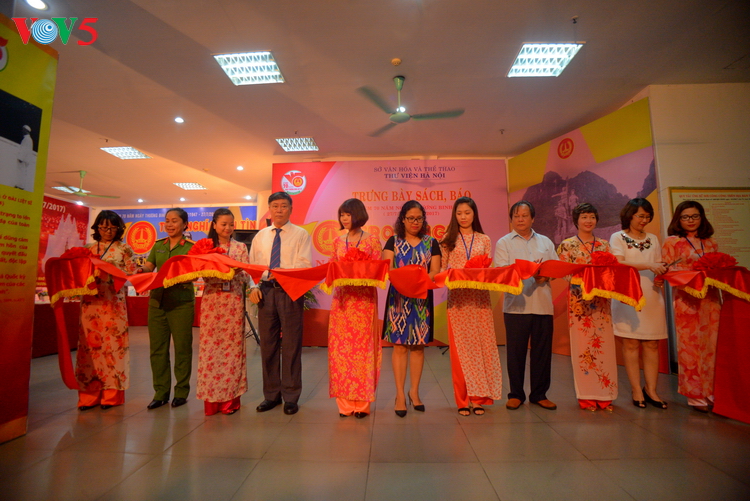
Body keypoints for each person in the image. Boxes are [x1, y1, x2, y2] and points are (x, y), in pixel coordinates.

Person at [249, 192, 312, 415]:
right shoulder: (260, 236)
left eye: (283, 206)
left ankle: (291, 396)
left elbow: (304, 264)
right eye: (275, 206)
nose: (279, 210)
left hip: (290, 291)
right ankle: (271, 395)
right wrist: (254, 287)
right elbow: (252, 266)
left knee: (292, 344)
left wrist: (282, 273)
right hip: (265, 292)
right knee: (268, 345)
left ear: (291, 209)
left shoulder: (301, 234)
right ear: (269, 209)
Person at [440, 197, 503, 416]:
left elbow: (488, 269)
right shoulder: (447, 239)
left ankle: (478, 398)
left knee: (481, 348)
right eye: (459, 213)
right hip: (458, 301)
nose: (463, 217)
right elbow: (441, 270)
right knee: (461, 351)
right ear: (454, 215)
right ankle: (462, 400)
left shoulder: (484, 239)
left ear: (474, 214)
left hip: (479, 300)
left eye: (467, 213)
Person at [494, 200, 558, 411]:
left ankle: (539, 394)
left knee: (542, 353)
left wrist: (545, 276)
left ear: (533, 218)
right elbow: (502, 271)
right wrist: (525, 272)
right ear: (511, 219)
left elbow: (555, 268)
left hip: (542, 305)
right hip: (516, 305)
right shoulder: (504, 243)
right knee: (515, 353)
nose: (520, 219)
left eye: (524, 216)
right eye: (516, 216)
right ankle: (516, 394)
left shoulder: (546, 241)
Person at [557, 203, 618, 411]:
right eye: (584, 217)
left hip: (601, 302)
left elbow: (612, 272)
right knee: (583, 348)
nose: (588, 221)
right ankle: (587, 396)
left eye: (592, 217)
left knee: (604, 347)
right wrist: (584, 279)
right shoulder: (567, 245)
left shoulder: (604, 245)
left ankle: (606, 396)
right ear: (576, 221)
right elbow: (564, 272)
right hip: (579, 303)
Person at [382, 200, 441, 417]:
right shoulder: (393, 241)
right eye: (410, 218)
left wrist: (418, 281)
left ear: (424, 220)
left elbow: (435, 271)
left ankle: (414, 392)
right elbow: (388, 269)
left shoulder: (431, 242)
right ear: (403, 220)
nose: (415, 222)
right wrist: (405, 281)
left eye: (419, 218)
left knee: (418, 347)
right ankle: (400, 395)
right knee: (399, 347)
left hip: (421, 300)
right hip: (398, 300)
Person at [610, 198, 668, 409]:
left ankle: (651, 390)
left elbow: (659, 263)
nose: (644, 220)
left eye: (647, 216)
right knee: (631, 343)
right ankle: (636, 390)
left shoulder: (653, 238)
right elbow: (618, 263)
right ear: (630, 216)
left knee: (652, 344)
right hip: (628, 295)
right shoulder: (618, 237)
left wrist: (661, 274)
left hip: (652, 294)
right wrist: (649, 265)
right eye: (640, 216)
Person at [662, 201, 720, 413]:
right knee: (690, 347)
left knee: (712, 345)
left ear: (702, 217)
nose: (690, 220)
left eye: (695, 216)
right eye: (685, 217)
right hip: (687, 299)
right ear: (678, 219)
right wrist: (691, 273)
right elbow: (667, 270)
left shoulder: (710, 242)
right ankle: (695, 395)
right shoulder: (672, 242)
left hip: (711, 298)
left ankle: (711, 391)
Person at [328, 198, 382, 418]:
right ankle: (344, 404)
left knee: (362, 353)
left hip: (364, 303)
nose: (344, 218)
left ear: (358, 214)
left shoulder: (372, 241)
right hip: (342, 302)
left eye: (348, 214)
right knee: (341, 352)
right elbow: (332, 268)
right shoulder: (337, 241)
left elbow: (378, 271)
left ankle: (361, 404)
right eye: (342, 214)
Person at [76, 211, 136, 410]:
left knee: (114, 349)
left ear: (119, 228)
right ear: (97, 228)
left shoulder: (124, 249)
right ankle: (89, 396)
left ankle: (112, 395)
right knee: (89, 350)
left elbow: (132, 275)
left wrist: (112, 271)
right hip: (90, 305)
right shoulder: (88, 249)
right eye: (103, 227)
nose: (108, 231)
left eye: (112, 227)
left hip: (113, 304)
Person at [138, 208, 195, 410]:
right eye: (167, 221)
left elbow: (196, 273)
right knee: (157, 350)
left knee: (182, 349)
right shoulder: (158, 245)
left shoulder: (191, 247)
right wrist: (140, 270)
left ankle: (181, 392)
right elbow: (149, 266)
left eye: (175, 221)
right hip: (157, 302)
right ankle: (161, 393)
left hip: (181, 303)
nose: (170, 224)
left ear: (185, 224)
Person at [196, 208, 250, 416]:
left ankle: (229, 401)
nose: (227, 228)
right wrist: (224, 272)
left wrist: (235, 272)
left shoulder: (240, 247)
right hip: (212, 303)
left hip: (233, 303)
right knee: (210, 352)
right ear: (214, 225)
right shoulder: (206, 247)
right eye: (223, 224)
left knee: (232, 351)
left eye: (231, 224)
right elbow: (202, 274)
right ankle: (211, 401)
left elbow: (245, 275)